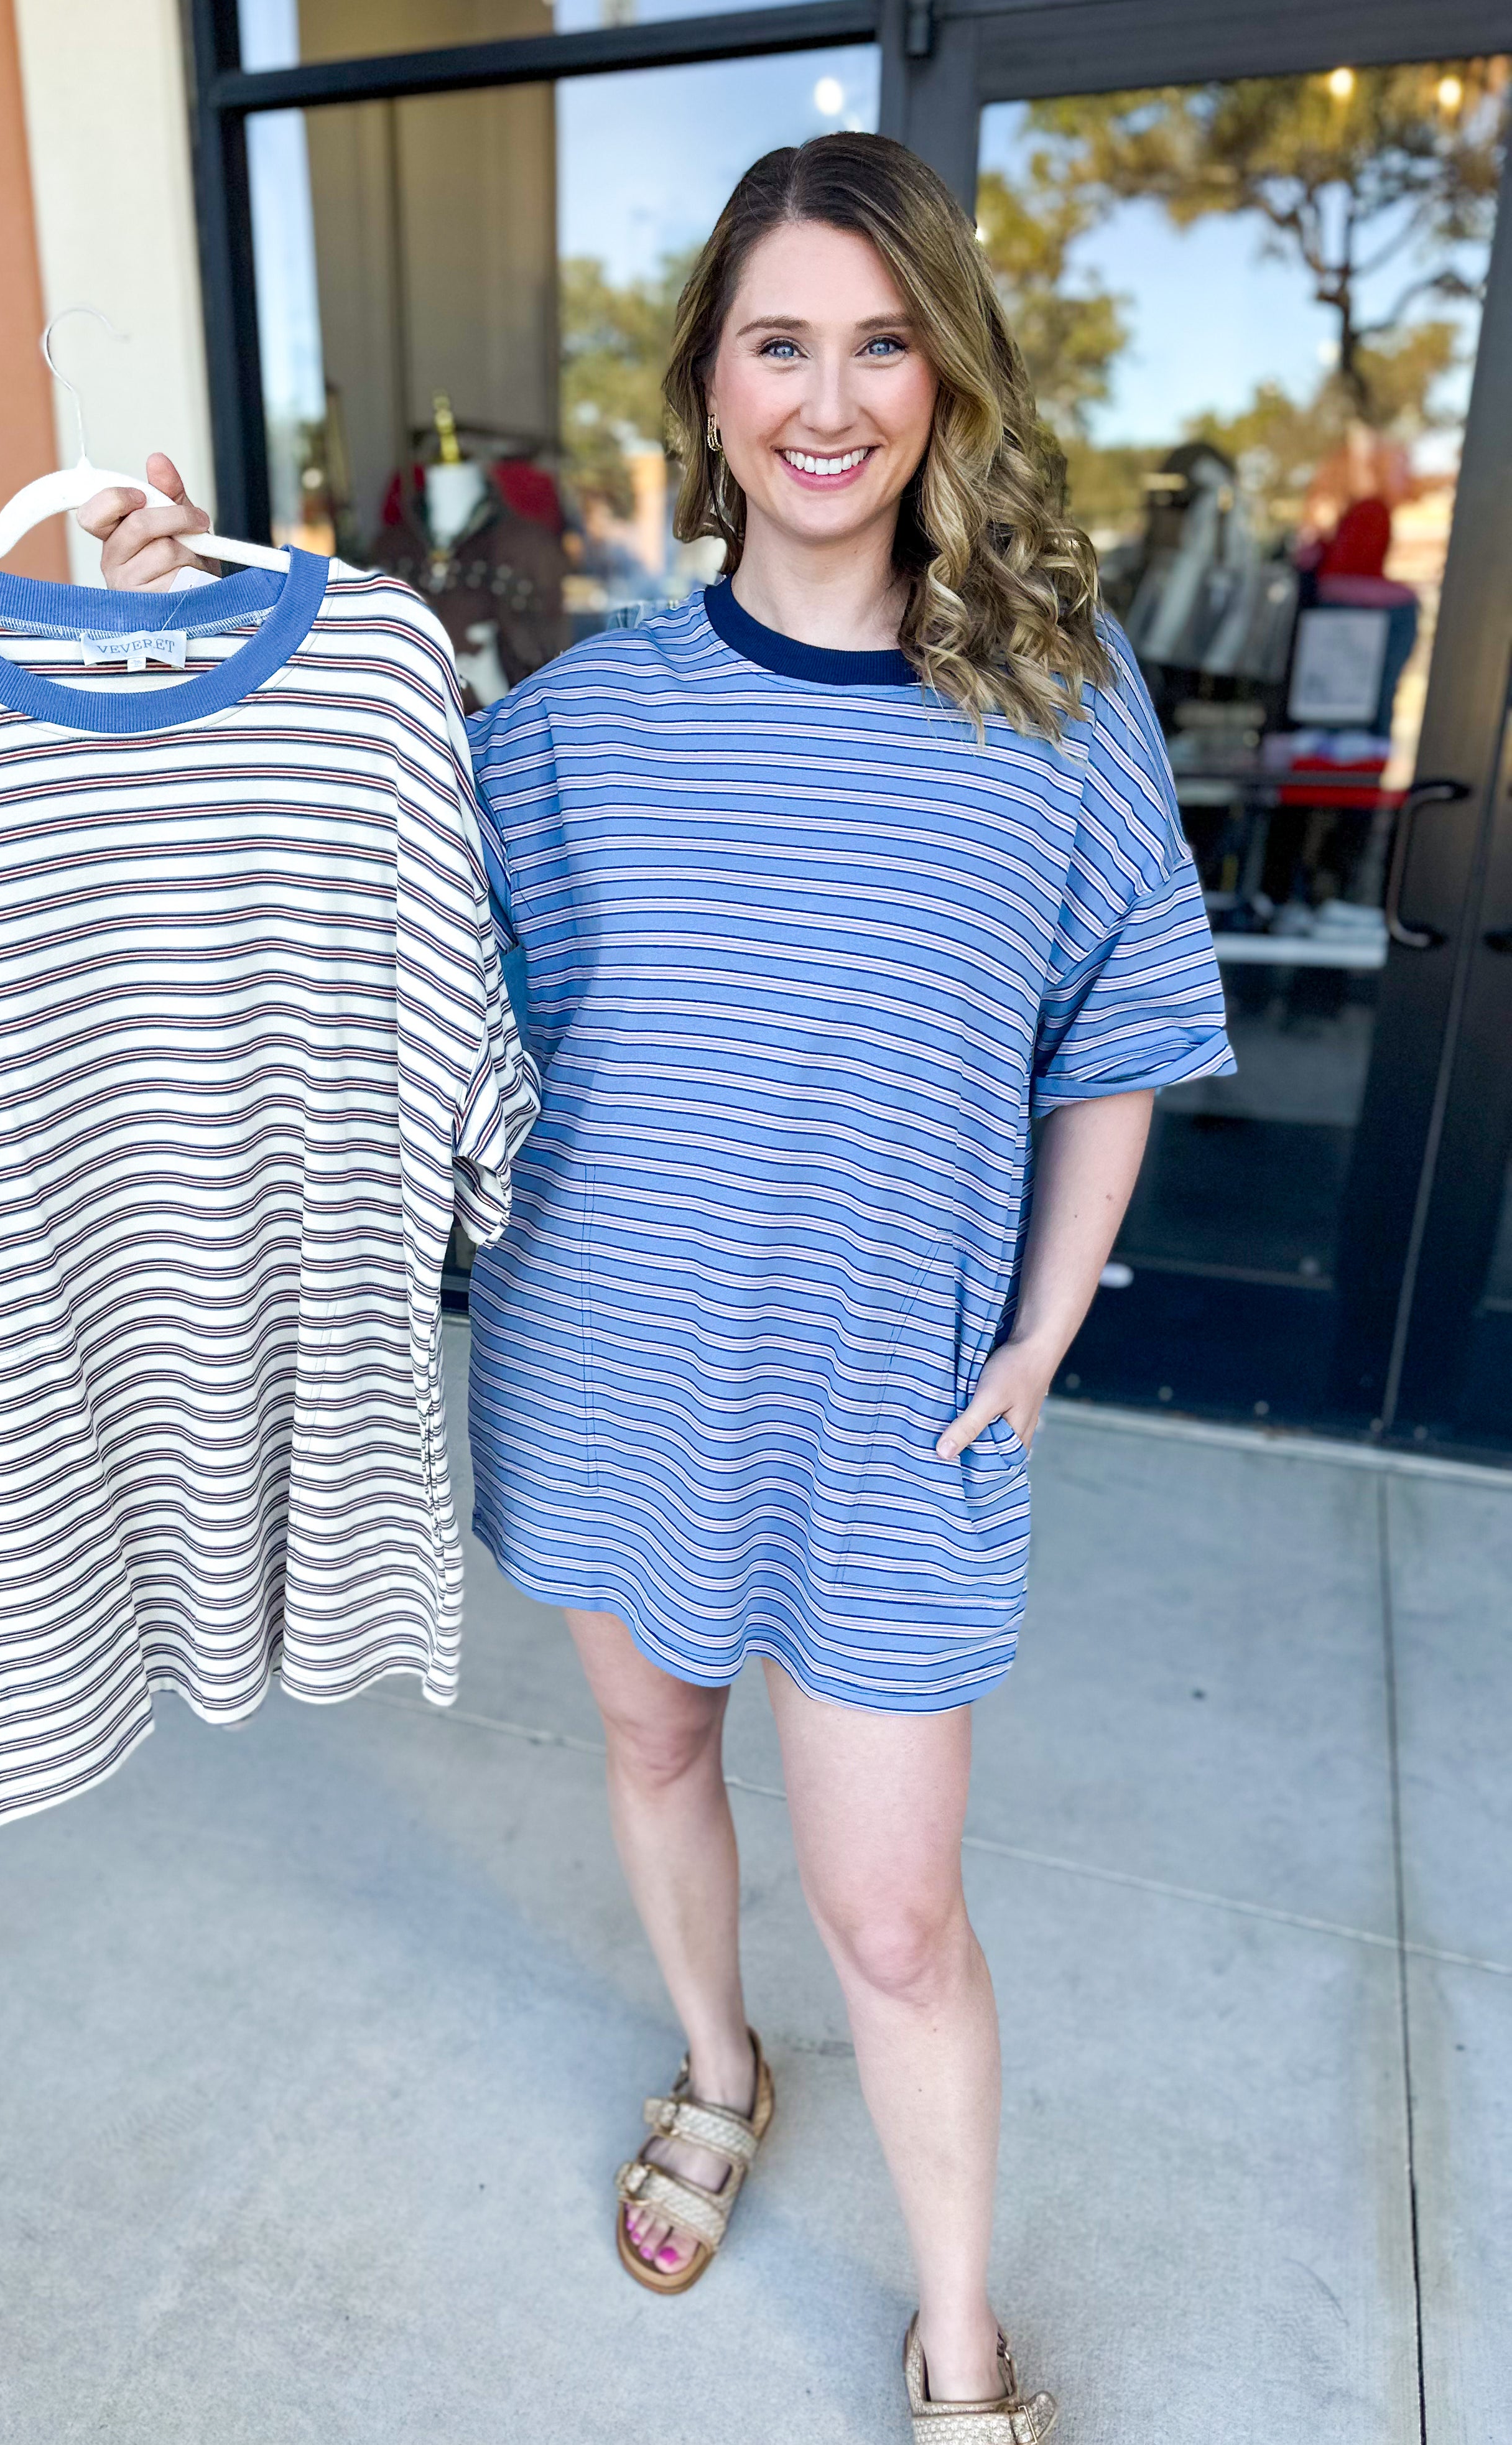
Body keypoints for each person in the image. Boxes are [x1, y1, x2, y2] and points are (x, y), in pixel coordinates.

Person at [81, 132, 1231, 2443]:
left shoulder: (1055, 694)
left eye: (882, 344)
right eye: (779, 343)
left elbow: (1116, 1033)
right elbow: (317, 855)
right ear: (708, 384)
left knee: (895, 1917)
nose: (831, 398)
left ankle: (961, 2339)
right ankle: (720, 2070)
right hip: (612, 1366)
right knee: (654, 1744)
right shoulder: (568, 727)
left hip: (894, 1413)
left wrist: (1045, 1329)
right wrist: (172, 626)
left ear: (945, 376)